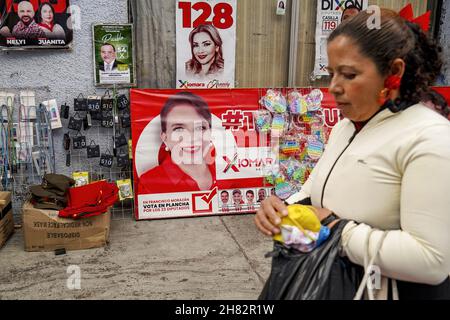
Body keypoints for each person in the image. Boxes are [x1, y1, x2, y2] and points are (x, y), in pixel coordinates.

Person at [255, 8, 450, 299]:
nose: (333, 87)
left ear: (394, 72)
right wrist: (282, 208)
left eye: (349, 74)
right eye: (332, 72)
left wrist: (334, 227)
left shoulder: (431, 137)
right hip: (321, 281)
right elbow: (315, 193)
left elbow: (431, 261)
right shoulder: (346, 127)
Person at [138, 92, 215, 194]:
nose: (191, 138)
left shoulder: (226, 172)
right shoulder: (149, 183)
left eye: (200, 127)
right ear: (165, 138)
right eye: (179, 129)